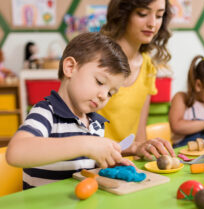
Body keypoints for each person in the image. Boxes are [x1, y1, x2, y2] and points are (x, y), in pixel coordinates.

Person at [6, 32, 133, 189]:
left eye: (110, 93)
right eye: (99, 82)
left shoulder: (95, 125)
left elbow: (86, 173)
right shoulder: (46, 113)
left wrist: (109, 164)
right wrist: (86, 144)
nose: (103, 96)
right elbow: (15, 152)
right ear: (70, 67)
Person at [98, 0, 175, 160]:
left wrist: (145, 152)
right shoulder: (97, 60)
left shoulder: (147, 66)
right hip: (94, 164)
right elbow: (79, 130)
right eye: (142, 14)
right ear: (123, 13)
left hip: (126, 162)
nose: (152, 23)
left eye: (159, 15)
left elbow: (140, 134)